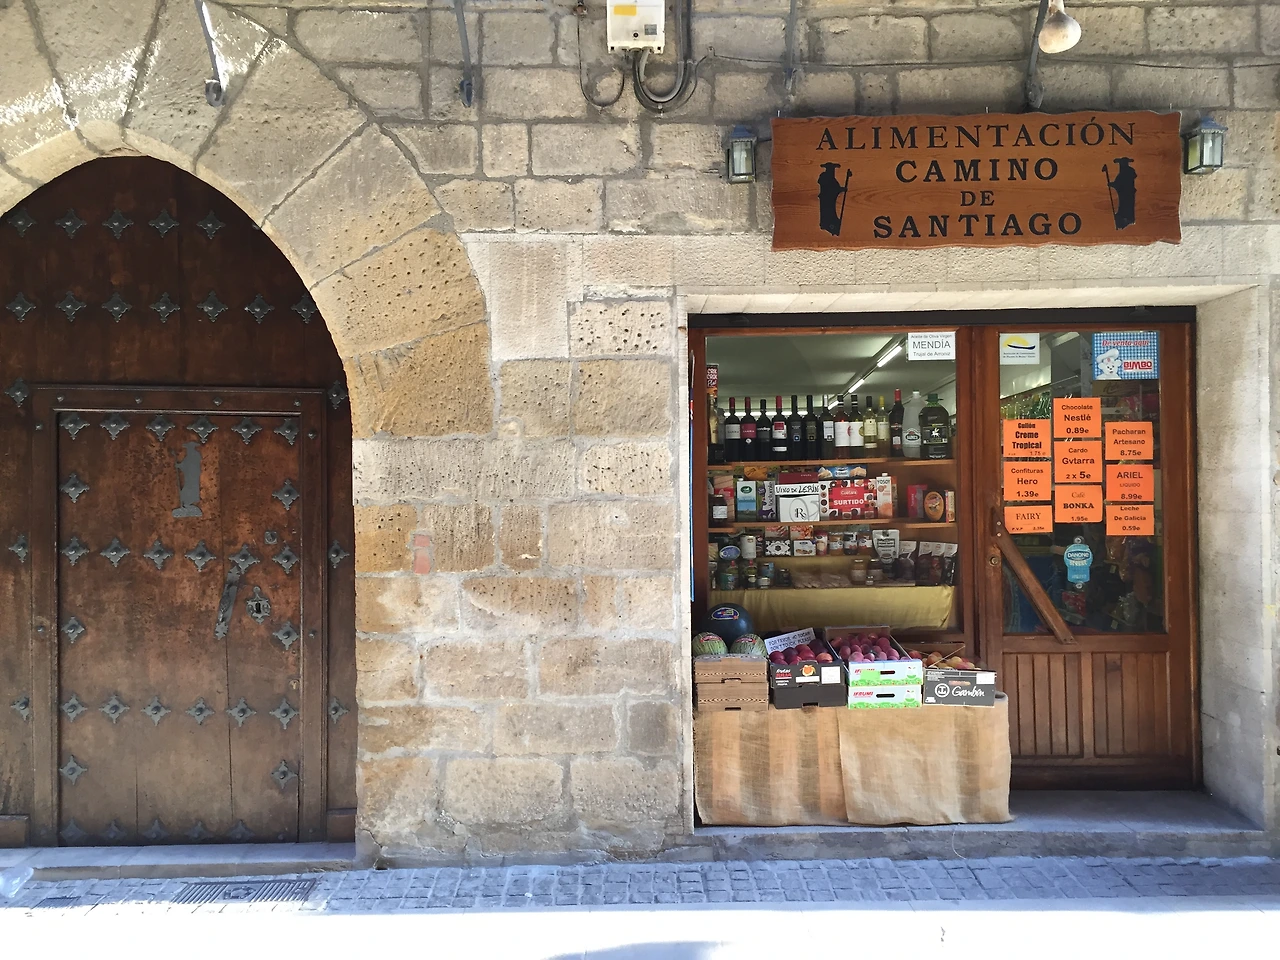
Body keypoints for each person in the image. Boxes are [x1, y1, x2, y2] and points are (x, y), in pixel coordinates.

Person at [817, 162, 849, 236]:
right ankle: (829, 225)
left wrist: (841, 189)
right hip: (826, 198)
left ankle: (832, 225)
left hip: (829, 198)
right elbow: (832, 189)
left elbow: (834, 188)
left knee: (831, 211)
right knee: (828, 211)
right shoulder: (825, 177)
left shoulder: (831, 178)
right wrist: (841, 189)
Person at [1106, 157, 1137, 230]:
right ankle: (1124, 218)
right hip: (1125, 193)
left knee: (1126, 205)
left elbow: (1121, 183)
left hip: (1127, 193)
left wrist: (1113, 184)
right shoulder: (1125, 172)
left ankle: (1126, 219)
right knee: (1124, 205)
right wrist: (1113, 184)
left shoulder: (1127, 172)